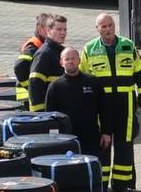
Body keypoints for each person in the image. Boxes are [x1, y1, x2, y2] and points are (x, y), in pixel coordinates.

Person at [83, 12, 141, 192]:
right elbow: (83, 77)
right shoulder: (89, 49)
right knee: (102, 143)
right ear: (97, 28)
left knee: (125, 142)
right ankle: (102, 185)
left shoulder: (128, 45)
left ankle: (122, 184)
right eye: (103, 26)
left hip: (125, 103)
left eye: (110, 25)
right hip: (102, 104)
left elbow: (140, 70)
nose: (108, 29)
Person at [44, 48, 112, 178]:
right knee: (71, 174)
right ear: (61, 63)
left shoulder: (92, 82)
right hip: (67, 139)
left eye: (73, 58)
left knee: (92, 171)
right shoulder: (55, 87)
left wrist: (106, 132)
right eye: (67, 59)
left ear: (79, 60)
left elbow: (105, 109)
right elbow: (50, 117)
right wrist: (53, 140)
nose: (70, 62)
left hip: (91, 137)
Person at [26, 15, 68, 112]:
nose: (63, 33)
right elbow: (35, 86)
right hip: (49, 112)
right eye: (59, 29)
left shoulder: (62, 51)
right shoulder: (44, 54)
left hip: (60, 109)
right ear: (48, 31)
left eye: (65, 29)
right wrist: (40, 115)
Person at [13, 13, 52, 107]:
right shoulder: (33, 46)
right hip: (27, 97)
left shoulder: (42, 44)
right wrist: (30, 86)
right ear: (40, 28)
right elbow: (19, 67)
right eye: (49, 28)